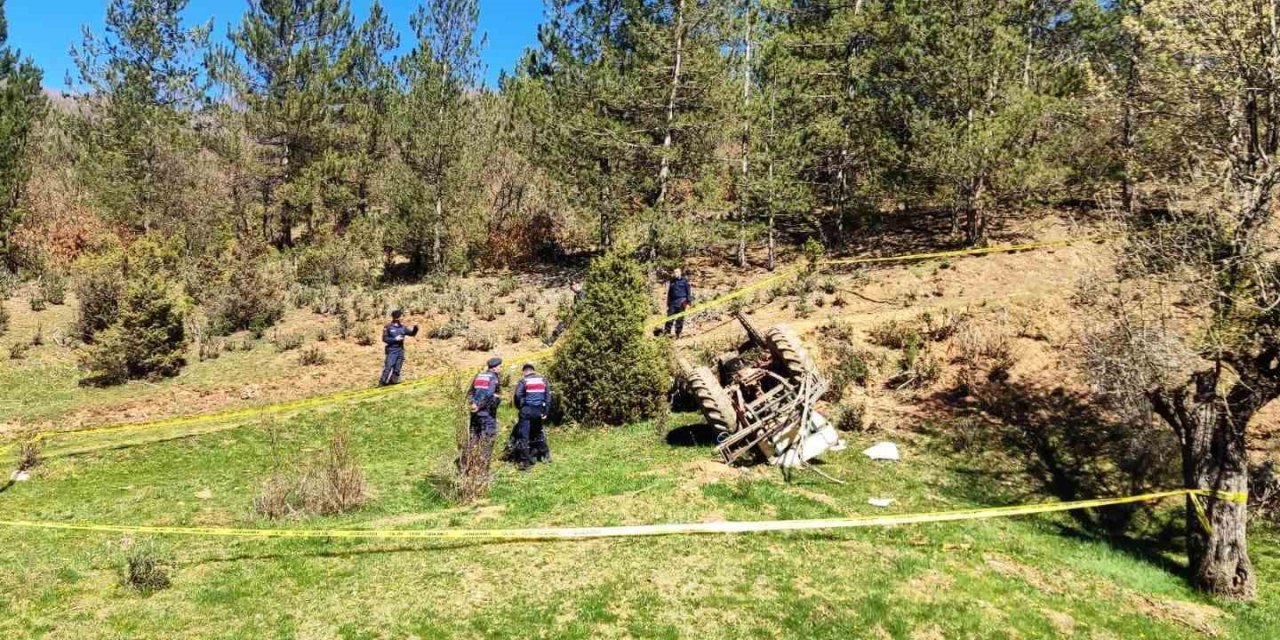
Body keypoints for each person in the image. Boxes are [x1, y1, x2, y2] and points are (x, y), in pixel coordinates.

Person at [510, 363, 552, 470]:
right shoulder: (543, 380)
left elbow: (517, 395)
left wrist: (520, 406)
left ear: (525, 371)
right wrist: (545, 412)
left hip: (527, 410)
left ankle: (525, 462)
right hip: (539, 410)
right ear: (533, 370)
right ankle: (545, 455)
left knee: (524, 435)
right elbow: (548, 397)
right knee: (538, 432)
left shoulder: (523, 381)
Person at [467, 357, 504, 444]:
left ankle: (471, 453)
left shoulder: (479, 376)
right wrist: (479, 405)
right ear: (494, 368)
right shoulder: (493, 378)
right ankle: (484, 453)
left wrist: (473, 404)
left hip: (475, 413)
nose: (501, 369)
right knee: (488, 439)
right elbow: (489, 394)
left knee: (474, 437)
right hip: (487, 413)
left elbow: (470, 392)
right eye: (500, 367)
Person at [379, 309, 419, 386]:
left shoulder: (402, 327)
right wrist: (395, 339)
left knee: (397, 367)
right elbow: (384, 339)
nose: (402, 318)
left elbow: (412, 334)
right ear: (397, 317)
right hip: (392, 350)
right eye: (401, 316)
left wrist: (415, 328)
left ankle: (393, 381)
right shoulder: (388, 327)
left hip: (400, 350)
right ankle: (382, 382)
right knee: (389, 366)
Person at [664, 268, 693, 338]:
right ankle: (667, 333)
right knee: (669, 318)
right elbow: (669, 293)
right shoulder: (672, 281)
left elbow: (688, 292)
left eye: (677, 272)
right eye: (674, 272)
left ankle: (678, 334)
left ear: (680, 273)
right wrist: (668, 303)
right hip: (673, 302)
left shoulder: (684, 281)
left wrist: (689, 302)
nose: (675, 273)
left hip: (682, 302)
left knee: (680, 319)